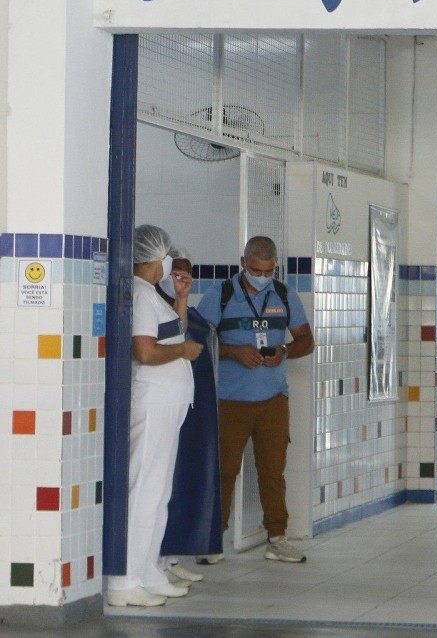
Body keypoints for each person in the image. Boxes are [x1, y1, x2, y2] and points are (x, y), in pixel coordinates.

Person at [196, 236, 314, 564]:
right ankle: (212, 539)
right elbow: (197, 343)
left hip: (273, 399)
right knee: (224, 470)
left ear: (275, 266)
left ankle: (277, 539)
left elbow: (307, 341)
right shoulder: (219, 296)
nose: (261, 276)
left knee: (273, 471)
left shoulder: (285, 295)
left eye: (267, 270)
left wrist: (284, 351)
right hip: (229, 400)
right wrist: (233, 352)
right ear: (243, 263)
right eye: (255, 269)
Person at [106, 226, 204, 608]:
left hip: (168, 405)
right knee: (142, 489)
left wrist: (181, 298)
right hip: (152, 402)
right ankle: (124, 580)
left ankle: (148, 571)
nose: (170, 261)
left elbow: (173, 331)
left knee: (158, 492)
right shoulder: (140, 294)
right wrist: (182, 352)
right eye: (167, 254)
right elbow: (145, 352)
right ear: (155, 256)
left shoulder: (153, 295)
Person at [156, 251, 218, 585]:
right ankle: (155, 561)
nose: (180, 279)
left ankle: (172, 555)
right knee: (158, 487)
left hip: (187, 408)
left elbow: (181, 331)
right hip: (158, 408)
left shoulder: (187, 311)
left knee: (176, 483)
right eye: (174, 273)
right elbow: (164, 345)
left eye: (185, 275)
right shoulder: (149, 305)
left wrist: (182, 298)